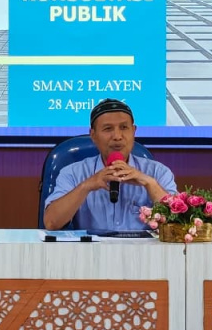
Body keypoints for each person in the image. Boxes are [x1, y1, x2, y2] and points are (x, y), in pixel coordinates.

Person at [43, 98, 177, 231]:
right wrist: (86, 186)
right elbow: (51, 223)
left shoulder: (158, 172)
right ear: (93, 135)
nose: (117, 136)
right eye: (108, 129)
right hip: (92, 245)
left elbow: (179, 222)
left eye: (124, 127)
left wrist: (150, 184)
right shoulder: (72, 173)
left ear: (133, 131)